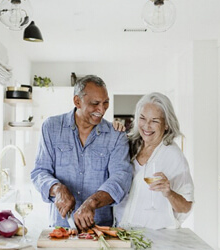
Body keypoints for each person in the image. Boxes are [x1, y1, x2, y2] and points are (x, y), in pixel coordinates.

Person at [31, 75, 132, 230]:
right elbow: (40, 171)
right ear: (77, 101)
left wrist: (92, 202)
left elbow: (121, 178)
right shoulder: (51, 127)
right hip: (61, 228)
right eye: (95, 103)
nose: (102, 109)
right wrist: (57, 189)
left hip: (100, 229)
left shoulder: (116, 135)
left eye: (106, 103)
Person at [115, 92, 194, 230]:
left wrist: (169, 193)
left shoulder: (173, 156)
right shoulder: (128, 145)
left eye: (155, 121)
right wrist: (112, 131)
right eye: (143, 118)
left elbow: (185, 207)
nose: (146, 126)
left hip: (154, 237)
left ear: (166, 125)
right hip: (121, 230)